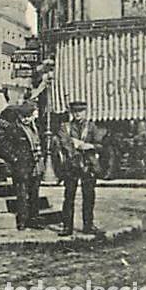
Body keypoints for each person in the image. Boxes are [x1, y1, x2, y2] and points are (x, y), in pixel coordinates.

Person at [57, 100, 103, 236]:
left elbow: (100, 144)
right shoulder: (65, 127)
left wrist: (87, 145)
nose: (77, 114)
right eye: (75, 112)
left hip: (88, 166)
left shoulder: (92, 127)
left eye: (80, 111)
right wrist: (75, 148)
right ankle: (67, 227)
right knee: (69, 196)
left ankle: (88, 225)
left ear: (85, 112)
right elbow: (64, 143)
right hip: (71, 166)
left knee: (89, 196)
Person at [7, 101, 45, 231]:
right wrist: (15, 159)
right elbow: (7, 146)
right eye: (31, 115)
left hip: (36, 165)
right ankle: (22, 220)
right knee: (22, 194)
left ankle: (33, 219)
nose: (32, 118)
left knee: (34, 193)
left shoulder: (35, 127)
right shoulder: (15, 128)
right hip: (22, 166)